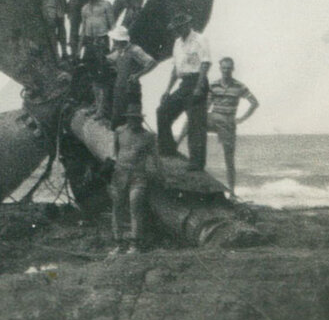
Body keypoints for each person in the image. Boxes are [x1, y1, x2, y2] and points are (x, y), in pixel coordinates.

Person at [178, 57, 259, 197]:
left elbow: (254, 102)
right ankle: (175, 144)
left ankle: (232, 192)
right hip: (214, 117)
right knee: (192, 119)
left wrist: (242, 119)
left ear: (232, 69)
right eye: (224, 68)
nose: (226, 70)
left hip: (228, 122)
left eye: (229, 68)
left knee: (229, 158)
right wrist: (200, 114)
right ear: (220, 69)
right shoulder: (214, 85)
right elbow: (208, 104)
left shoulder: (239, 86)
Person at [156, 13, 211, 171]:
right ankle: (167, 149)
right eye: (176, 28)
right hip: (184, 83)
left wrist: (200, 87)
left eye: (180, 27)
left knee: (196, 124)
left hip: (197, 81)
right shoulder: (177, 43)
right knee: (163, 111)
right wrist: (167, 90)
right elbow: (175, 68)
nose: (178, 30)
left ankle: (197, 162)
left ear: (187, 25)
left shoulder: (200, 39)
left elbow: (205, 63)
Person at [109, 106, 162, 255]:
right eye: (131, 118)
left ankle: (135, 245)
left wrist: (161, 175)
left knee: (135, 207)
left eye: (136, 119)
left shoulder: (149, 136)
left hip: (138, 177)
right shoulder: (119, 132)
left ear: (141, 120)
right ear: (127, 118)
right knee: (117, 208)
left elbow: (156, 159)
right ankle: (118, 243)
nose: (133, 122)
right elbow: (116, 152)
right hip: (119, 175)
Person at [106, 25, 157, 129]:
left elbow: (151, 62)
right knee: (116, 116)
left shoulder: (135, 50)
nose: (114, 42)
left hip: (131, 88)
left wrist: (137, 75)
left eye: (115, 40)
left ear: (120, 40)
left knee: (131, 117)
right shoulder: (120, 50)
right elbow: (110, 59)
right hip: (119, 87)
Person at [79, 0, 115, 116]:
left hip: (101, 42)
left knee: (102, 76)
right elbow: (83, 30)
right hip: (89, 43)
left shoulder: (105, 5)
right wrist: (79, 49)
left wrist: (113, 47)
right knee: (93, 76)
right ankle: (97, 104)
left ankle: (102, 108)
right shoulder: (84, 9)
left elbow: (113, 26)